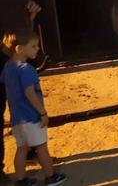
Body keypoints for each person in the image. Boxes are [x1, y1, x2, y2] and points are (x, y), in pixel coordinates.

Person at [0, 0, 41, 181]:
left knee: (27, 103)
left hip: (22, 54)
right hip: (0, 55)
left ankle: (31, 151)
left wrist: (32, 14)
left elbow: (25, 12)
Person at [1, 30, 66, 186]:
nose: (37, 49)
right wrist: (42, 112)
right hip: (32, 117)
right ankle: (51, 177)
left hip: (17, 118)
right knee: (41, 148)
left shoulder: (7, 67)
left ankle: (21, 180)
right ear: (19, 49)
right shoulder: (26, 69)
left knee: (21, 148)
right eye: (34, 46)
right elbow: (30, 93)